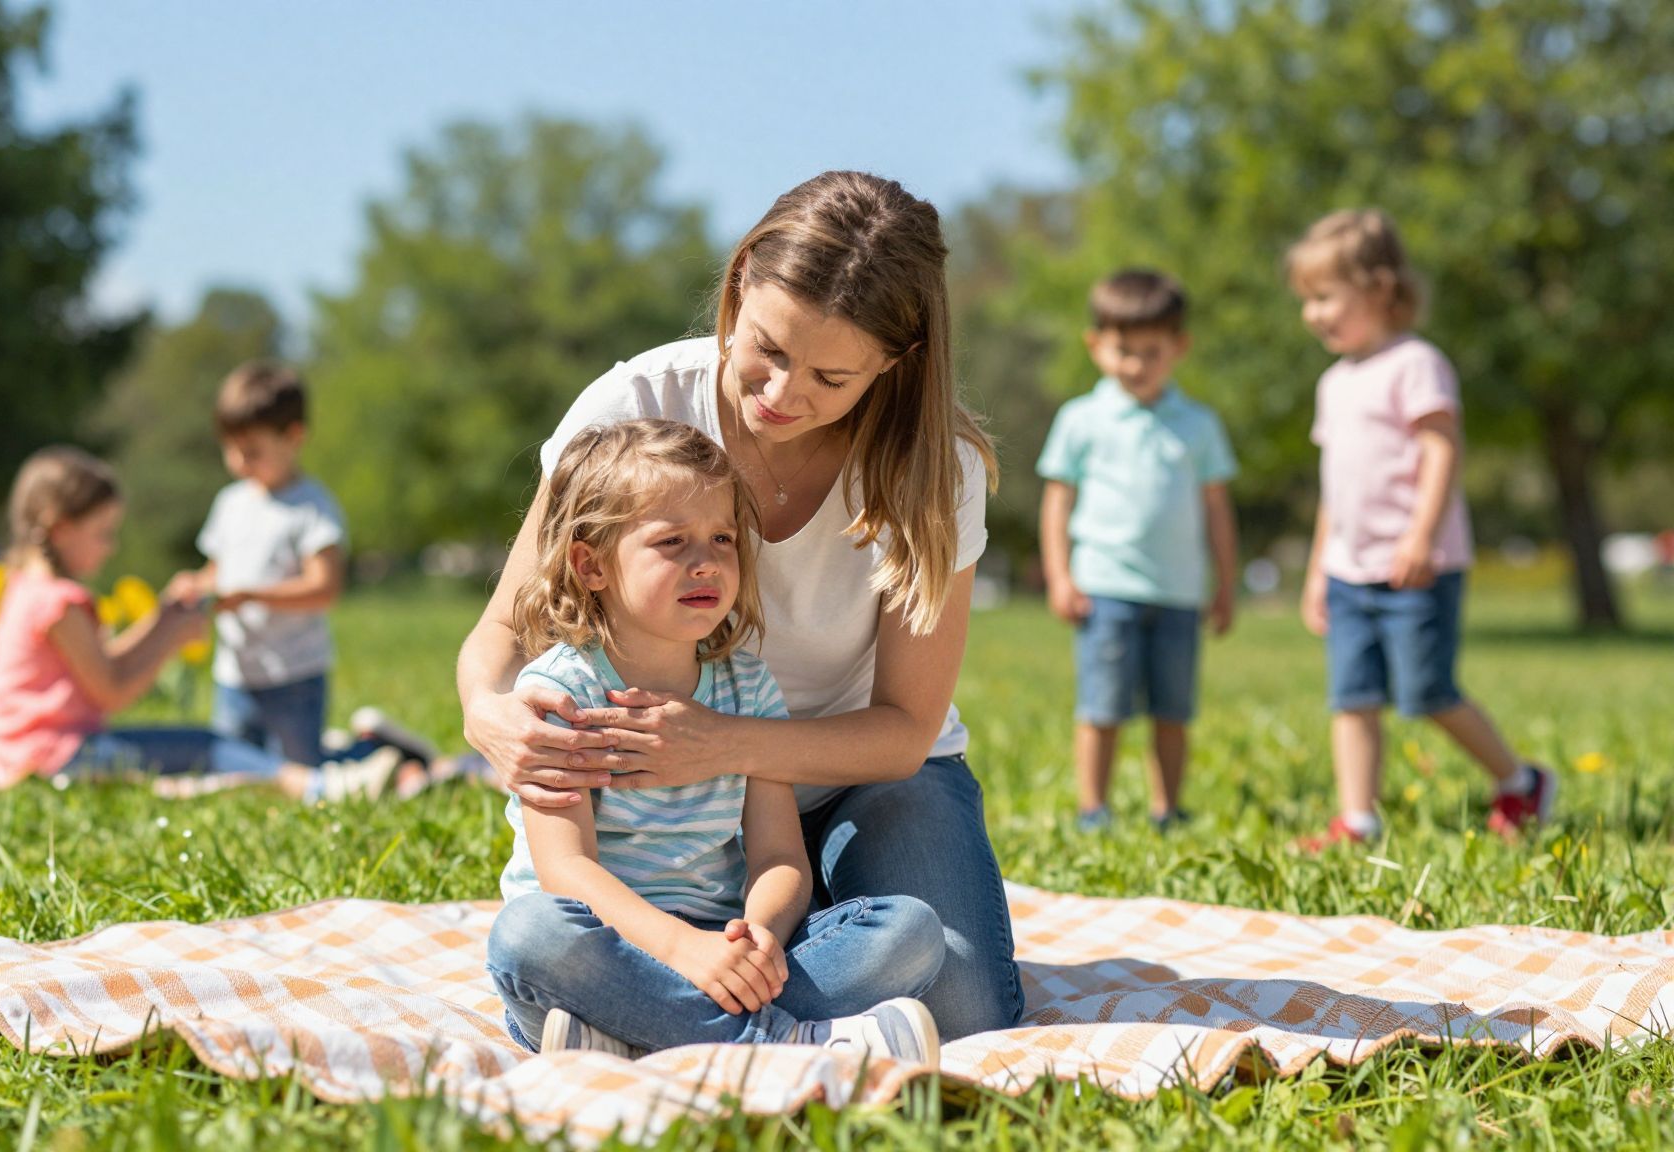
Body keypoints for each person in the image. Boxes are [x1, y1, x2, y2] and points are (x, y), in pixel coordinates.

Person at [458, 171, 1024, 1040]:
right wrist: (488, 715)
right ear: (738, 284)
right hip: (678, 826)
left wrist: (719, 745)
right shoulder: (634, 411)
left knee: (965, 1005)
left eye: (831, 376)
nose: (781, 393)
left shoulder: (934, 469)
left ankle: (655, 1016)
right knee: (919, 1002)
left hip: (865, 778)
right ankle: (780, 1023)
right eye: (767, 347)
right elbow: (501, 630)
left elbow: (906, 729)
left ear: (893, 364)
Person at [486, 420, 946, 1063]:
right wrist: (682, 951)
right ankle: (781, 1041)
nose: (705, 561)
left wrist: (757, 936)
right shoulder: (562, 693)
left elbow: (780, 856)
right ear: (591, 565)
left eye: (722, 538)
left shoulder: (748, 687)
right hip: (605, 944)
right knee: (529, 936)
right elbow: (566, 873)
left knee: (912, 932)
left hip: (722, 939)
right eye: (671, 542)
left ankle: (640, 1035)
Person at [1288, 209, 1555, 851]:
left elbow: (1441, 452)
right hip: (1351, 569)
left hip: (1417, 565)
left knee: (1428, 692)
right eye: (1307, 301)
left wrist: (1420, 537)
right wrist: (1318, 568)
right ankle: (1358, 820)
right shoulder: (1333, 383)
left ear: (1378, 289)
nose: (1313, 314)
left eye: (1325, 297)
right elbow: (1337, 486)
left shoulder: (1416, 363)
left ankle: (1521, 780)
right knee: (1351, 698)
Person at [0, 446, 398, 799]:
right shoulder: (59, 602)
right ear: (62, 529)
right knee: (207, 745)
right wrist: (170, 640)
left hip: (29, 752)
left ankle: (358, 760)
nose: (110, 548)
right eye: (103, 533)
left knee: (211, 743)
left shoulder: (27, 589)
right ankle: (320, 787)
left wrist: (163, 618)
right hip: (59, 757)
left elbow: (103, 663)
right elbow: (112, 690)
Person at [1037, 269, 1238, 833]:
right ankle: (1093, 809)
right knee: (1102, 708)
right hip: (1105, 589)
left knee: (1173, 710)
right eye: (1123, 351)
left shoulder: (1199, 425)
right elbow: (1057, 503)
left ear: (1180, 348)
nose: (1136, 365)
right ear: (1095, 346)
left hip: (1178, 593)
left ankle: (1167, 809)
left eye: (1152, 352)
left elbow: (1218, 512)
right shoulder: (1081, 419)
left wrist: (1225, 584)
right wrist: (1060, 576)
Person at [164, 361, 348, 765]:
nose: (237, 462)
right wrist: (197, 585)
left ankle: (370, 751)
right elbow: (218, 572)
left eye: (251, 452)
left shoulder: (312, 507)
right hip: (235, 674)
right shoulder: (230, 503)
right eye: (229, 448)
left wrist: (251, 597)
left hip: (294, 675)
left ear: (294, 436)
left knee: (299, 770)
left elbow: (324, 588)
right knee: (239, 769)